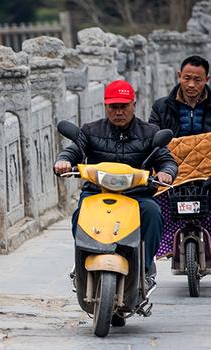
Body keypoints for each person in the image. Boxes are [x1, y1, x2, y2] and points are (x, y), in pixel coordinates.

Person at [54, 80, 178, 291]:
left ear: (133, 105)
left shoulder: (149, 132)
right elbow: (74, 150)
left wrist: (167, 172)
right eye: (114, 106)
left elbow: (165, 159)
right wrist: (63, 161)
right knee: (79, 215)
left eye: (123, 106)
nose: (119, 111)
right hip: (97, 192)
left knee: (153, 212)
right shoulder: (91, 130)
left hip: (136, 195)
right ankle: (82, 259)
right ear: (106, 107)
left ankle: (146, 267)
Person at [149, 55, 211, 136]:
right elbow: (151, 138)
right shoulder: (161, 107)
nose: (191, 84)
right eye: (187, 78)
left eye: (197, 80)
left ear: (207, 79)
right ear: (179, 75)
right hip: (172, 157)